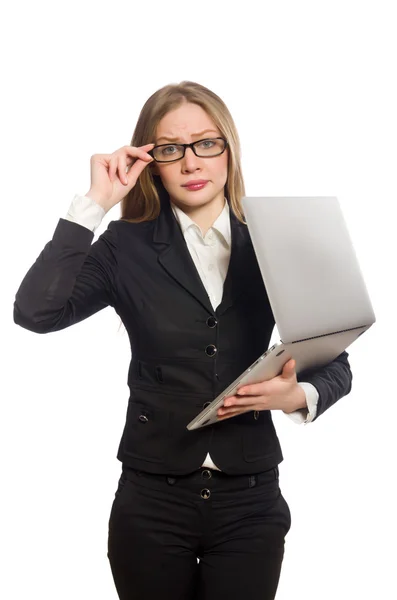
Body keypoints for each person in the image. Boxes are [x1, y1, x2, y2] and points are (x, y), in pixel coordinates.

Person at [13, 81, 353, 600]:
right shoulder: (124, 246)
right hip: (152, 500)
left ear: (228, 149)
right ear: (150, 161)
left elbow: (335, 356)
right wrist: (94, 203)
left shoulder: (274, 236)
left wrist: (298, 396)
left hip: (250, 501)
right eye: (171, 149)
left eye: (205, 144)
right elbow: (36, 312)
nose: (191, 163)